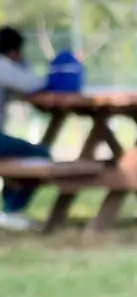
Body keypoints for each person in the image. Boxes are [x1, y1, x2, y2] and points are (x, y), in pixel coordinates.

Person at [0, 26, 48, 231]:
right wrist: (22, 63)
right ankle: (11, 210)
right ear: (14, 52)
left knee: (18, 157)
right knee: (40, 154)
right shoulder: (4, 66)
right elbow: (36, 83)